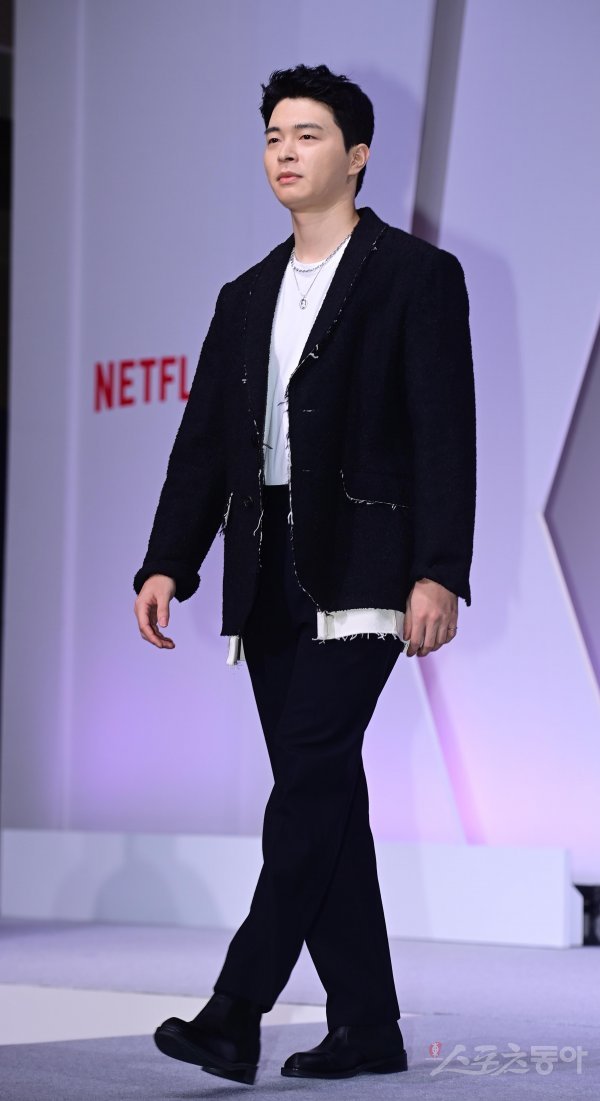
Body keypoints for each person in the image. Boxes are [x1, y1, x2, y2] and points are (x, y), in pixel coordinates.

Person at [133, 63, 476, 1085]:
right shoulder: (243, 296)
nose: (285, 151)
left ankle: (235, 1009)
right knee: (322, 795)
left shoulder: (414, 275)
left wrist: (439, 570)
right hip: (263, 562)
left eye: (308, 134)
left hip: (366, 564)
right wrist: (168, 560)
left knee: (312, 781)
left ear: (357, 155)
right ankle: (366, 1025)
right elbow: (203, 446)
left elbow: (444, 436)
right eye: (274, 136)